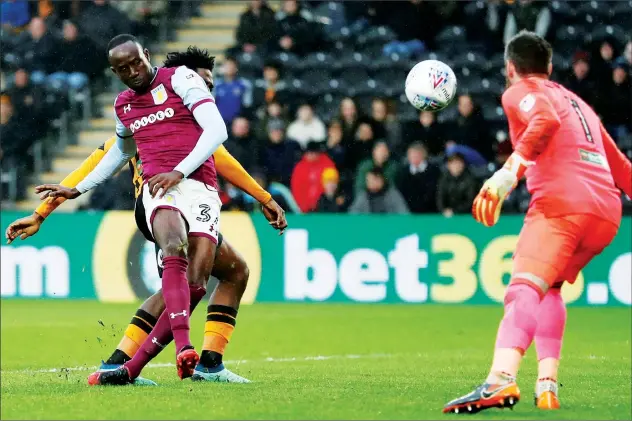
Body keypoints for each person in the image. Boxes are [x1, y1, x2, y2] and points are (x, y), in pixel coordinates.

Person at [32, 36, 281, 386]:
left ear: (147, 57)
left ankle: (138, 363)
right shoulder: (137, 103)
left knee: (219, 276)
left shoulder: (192, 114)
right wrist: (58, 201)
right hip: (157, 197)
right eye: (204, 81)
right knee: (182, 270)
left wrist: (264, 198)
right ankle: (178, 355)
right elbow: (108, 156)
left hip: (196, 194)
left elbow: (219, 150)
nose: (207, 87)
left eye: (210, 84)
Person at [444, 31, 632, 414]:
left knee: (522, 289)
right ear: (549, 67)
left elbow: (542, 120)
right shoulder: (577, 102)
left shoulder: (517, 91)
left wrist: (506, 175)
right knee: (550, 289)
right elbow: (621, 168)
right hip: (605, 214)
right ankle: (546, 385)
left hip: (562, 205)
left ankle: (499, 379)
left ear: (510, 67)